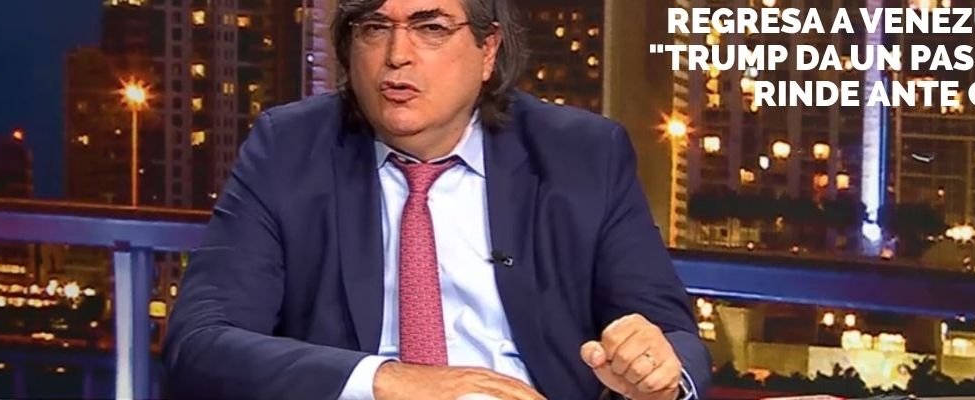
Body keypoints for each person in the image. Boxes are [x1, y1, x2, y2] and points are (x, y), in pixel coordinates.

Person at [162, 0, 711, 399]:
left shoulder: (583, 153)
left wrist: (656, 372)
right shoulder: (288, 147)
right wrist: (390, 380)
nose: (397, 55)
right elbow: (200, 344)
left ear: (488, 50)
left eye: (431, 27)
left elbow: (674, 338)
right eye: (374, 28)